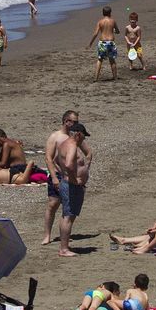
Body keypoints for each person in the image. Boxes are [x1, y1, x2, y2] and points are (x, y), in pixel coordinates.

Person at [55, 121, 93, 257]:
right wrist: (74, 179)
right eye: (83, 136)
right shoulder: (71, 146)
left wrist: (64, 174)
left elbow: (55, 160)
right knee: (68, 217)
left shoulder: (63, 144)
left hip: (68, 184)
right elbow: (69, 164)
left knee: (66, 215)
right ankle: (64, 249)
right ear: (78, 134)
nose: (84, 139)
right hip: (71, 186)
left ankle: (64, 246)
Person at [42, 110, 80, 246]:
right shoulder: (55, 136)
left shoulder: (73, 137)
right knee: (52, 204)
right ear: (66, 121)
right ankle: (47, 235)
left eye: (77, 122)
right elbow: (48, 158)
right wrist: (54, 177)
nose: (76, 124)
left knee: (67, 207)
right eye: (73, 122)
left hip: (68, 177)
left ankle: (63, 235)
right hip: (57, 175)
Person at [87, 7, 119, 82]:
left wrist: (90, 43)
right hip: (110, 42)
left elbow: (95, 33)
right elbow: (117, 31)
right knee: (112, 60)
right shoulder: (113, 21)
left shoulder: (100, 22)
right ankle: (115, 77)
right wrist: (114, 30)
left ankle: (96, 78)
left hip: (102, 42)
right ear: (110, 13)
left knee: (100, 60)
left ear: (103, 13)